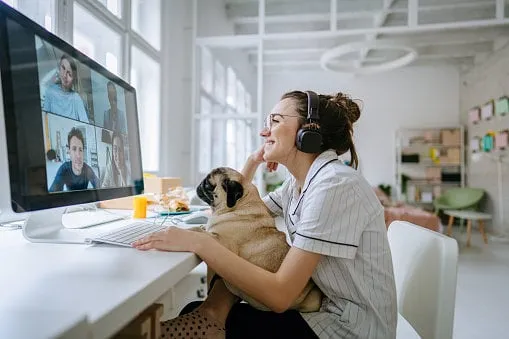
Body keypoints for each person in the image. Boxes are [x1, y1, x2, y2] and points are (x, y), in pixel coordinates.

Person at [133, 90, 397, 338]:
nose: (264, 131)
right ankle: (211, 314)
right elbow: (239, 213)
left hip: (346, 328)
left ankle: (212, 315)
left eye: (275, 121)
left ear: (307, 133)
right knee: (203, 305)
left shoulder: (334, 185)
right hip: (326, 310)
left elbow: (280, 296)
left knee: (200, 313)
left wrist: (199, 242)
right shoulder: (298, 184)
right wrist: (252, 161)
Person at [49, 127, 99, 192]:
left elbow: (100, 186)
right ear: (69, 151)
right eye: (74, 149)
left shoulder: (87, 169)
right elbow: (53, 192)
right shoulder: (64, 169)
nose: (78, 155)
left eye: (80, 150)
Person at [43, 54, 89, 123]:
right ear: (59, 68)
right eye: (63, 68)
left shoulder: (76, 98)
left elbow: (86, 125)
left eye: (69, 74)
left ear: (73, 78)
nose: (65, 75)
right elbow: (44, 119)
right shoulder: (50, 91)